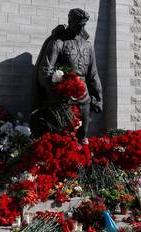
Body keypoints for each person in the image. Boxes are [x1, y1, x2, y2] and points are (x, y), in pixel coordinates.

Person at [33, 8, 103, 141]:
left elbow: (93, 74)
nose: (81, 27)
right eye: (78, 24)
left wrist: (99, 98)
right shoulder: (58, 43)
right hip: (63, 98)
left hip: (84, 97)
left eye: (83, 24)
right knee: (63, 136)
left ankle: (83, 160)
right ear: (70, 21)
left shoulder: (88, 46)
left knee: (83, 134)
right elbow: (45, 71)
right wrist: (56, 93)